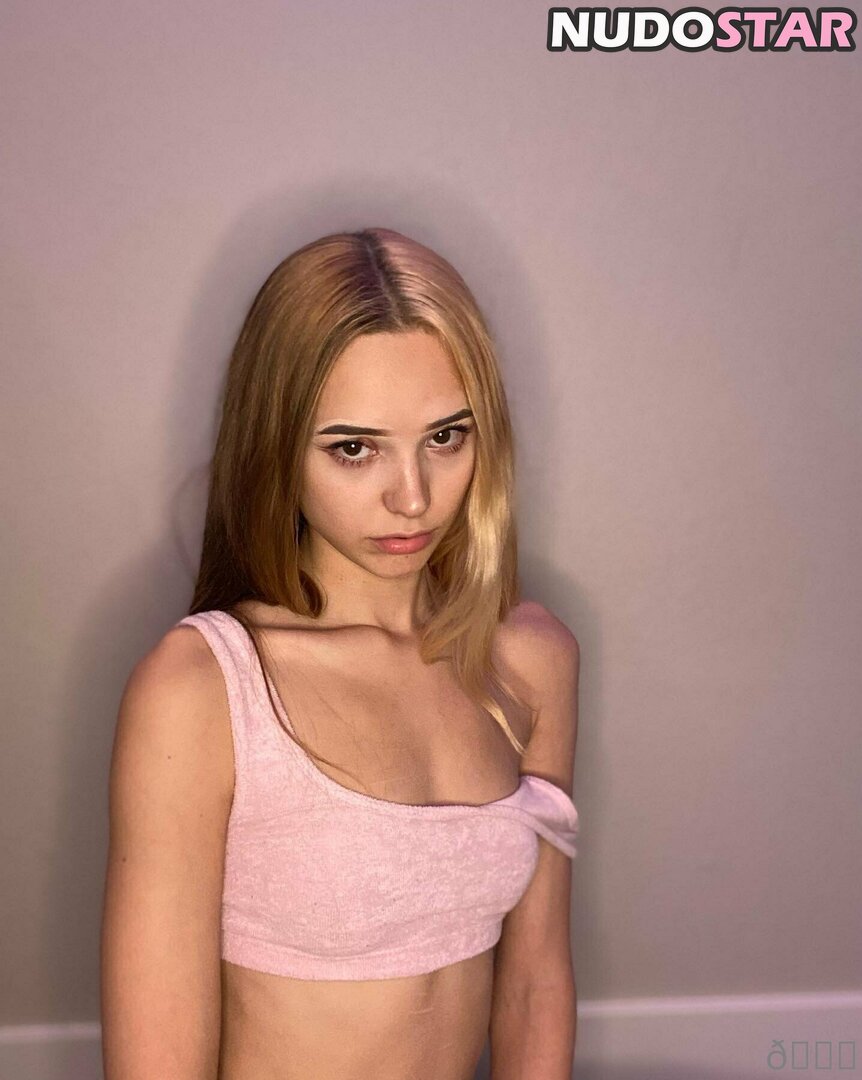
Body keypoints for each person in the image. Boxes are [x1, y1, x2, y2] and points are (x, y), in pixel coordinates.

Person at [100, 226, 581, 1080]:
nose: (413, 497)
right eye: (354, 448)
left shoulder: (531, 659)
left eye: (446, 437)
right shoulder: (203, 689)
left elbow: (535, 984)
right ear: (275, 444)